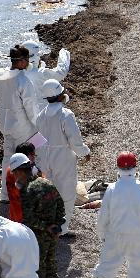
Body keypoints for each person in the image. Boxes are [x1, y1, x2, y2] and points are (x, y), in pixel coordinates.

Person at [14, 155, 68, 278]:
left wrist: (46, 227)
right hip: (52, 237)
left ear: (21, 171)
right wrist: (57, 226)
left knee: (37, 276)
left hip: (38, 238)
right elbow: (61, 206)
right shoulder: (47, 183)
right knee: (51, 269)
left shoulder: (27, 190)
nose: (15, 177)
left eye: (15, 173)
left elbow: (30, 220)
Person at [35, 79, 91, 237]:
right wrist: (84, 152)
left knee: (48, 193)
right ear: (61, 95)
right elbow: (74, 139)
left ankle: (47, 225)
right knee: (66, 193)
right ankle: (62, 229)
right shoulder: (65, 114)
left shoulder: (41, 115)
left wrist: (36, 159)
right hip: (63, 157)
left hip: (44, 156)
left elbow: (37, 139)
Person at [0, 45, 40, 202]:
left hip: (6, 128)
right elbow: (31, 109)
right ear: (21, 61)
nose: (28, 63)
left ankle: (5, 195)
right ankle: (27, 193)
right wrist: (40, 126)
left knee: (8, 160)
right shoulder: (23, 81)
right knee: (32, 156)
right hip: (23, 129)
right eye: (26, 60)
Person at [5, 144, 42, 223]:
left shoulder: (11, 169)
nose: (34, 157)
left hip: (16, 214)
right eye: (32, 154)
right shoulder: (17, 173)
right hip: (25, 216)